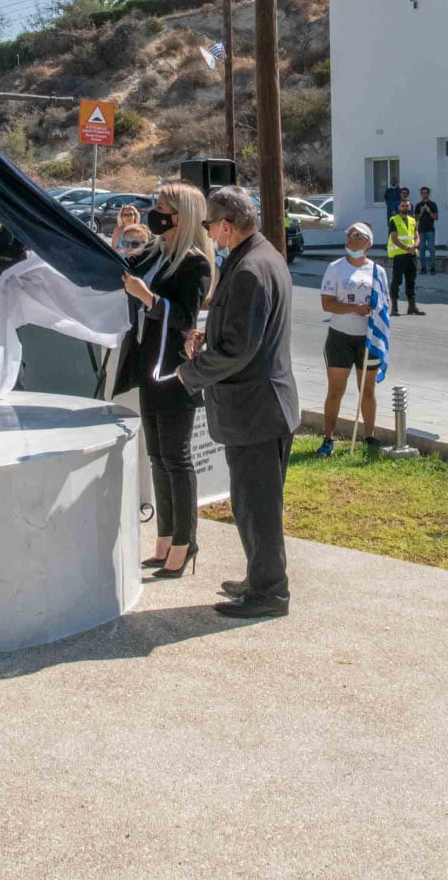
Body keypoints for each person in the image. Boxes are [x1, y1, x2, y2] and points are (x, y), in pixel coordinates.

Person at [179, 186, 298, 619]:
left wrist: (188, 374)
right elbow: (244, 330)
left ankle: (269, 593)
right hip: (261, 407)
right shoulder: (260, 256)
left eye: (210, 226)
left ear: (226, 226)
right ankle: (260, 577)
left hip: (256, 409)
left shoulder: (250, 268)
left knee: (257, 505)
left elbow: (240, 350)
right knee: (254, 503)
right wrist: (205, 334)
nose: (209, 232)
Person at [110, 186, 215, 578]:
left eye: (162, 209)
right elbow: (121, 271)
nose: (154, 214)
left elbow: (185, 317)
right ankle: (166, 539)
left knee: (177, 457)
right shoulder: (155, 253)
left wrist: (149, 299)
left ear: (182, 216)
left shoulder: (196, 264)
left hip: (174, 371)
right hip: (147, 366)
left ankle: (186, 542)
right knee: (156, 457)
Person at [316, 223, 383, 457]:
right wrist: (354, 308)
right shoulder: (335, 268)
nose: (352, 239)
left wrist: (376, 311)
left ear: (369, 243)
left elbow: (385, 305)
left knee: (367, 390)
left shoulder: (377, 271)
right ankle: (328, 439)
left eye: (358, 235)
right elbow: (327, 304)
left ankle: (370, 437)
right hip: (340, 338)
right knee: (336, 389)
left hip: (368, 339)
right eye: (349, 235)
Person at [387, 197, 423, 316]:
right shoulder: (394, 220)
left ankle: (412, 307)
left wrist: (415, 246)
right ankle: (394, 308)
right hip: (399, 255)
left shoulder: (413, 221)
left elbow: (417, 236)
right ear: (399, 207)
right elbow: (394, 238)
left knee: (411, 281)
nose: (405, 207)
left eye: (407, 206)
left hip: (411, 255)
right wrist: (407, 248)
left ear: (410, 207)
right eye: (403, 206)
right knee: (397, 281)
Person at [414, 186, 440, 275]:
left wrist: (429, 211)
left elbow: (436, 218)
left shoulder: (433, 204)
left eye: (426, 193)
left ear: (428, 194)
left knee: (431, 248)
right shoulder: (418, 205)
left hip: (430, 229)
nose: (424, 194)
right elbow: (416, 219)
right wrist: (421, 212)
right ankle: (423, 268)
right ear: (421, 194)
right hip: (421, 230)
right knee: (421, 249)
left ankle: (432, 267)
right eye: (422, 193)